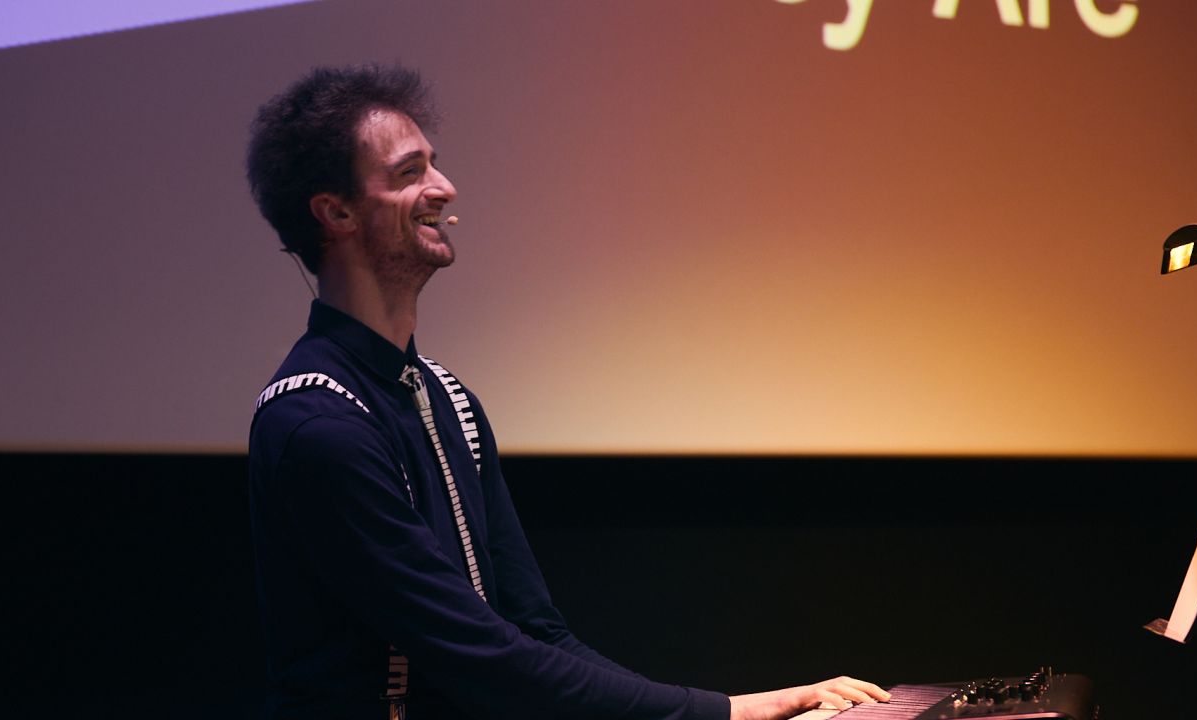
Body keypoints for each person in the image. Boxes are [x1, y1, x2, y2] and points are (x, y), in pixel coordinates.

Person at [245, 64, 890, 720]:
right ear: (337, 212)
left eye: (434, 165)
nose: (444, 187)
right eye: (411, 171)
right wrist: (728, 712)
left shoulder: (446, 397)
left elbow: (537, 634)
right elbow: (477, 653)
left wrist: (721, 711)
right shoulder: (315, 422)